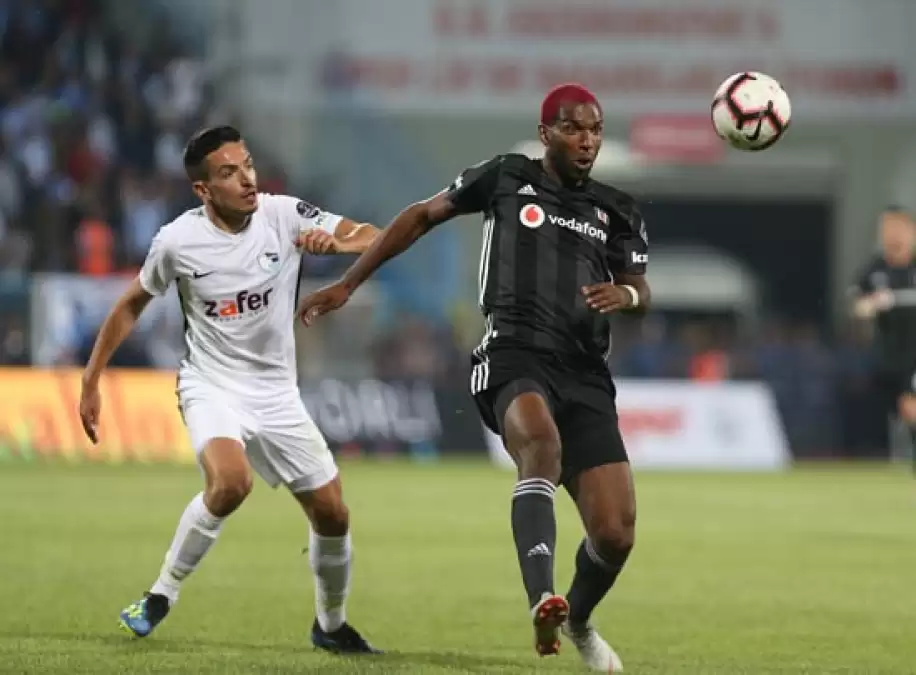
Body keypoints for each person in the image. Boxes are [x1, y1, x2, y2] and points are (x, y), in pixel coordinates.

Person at [298, 84, 649, 671]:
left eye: (594, 130)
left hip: (585, 373)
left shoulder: (618, 209)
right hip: (512, 355)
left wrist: (628, 295)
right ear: (545, 134)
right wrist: (348, 283)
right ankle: (543, 599)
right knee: (541, 444)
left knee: (616, 534)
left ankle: (579, 620)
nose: (586, 140)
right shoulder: (507, 176)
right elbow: (420, 216)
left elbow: (641, 290)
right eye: (572, 128)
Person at [79, 125, 382, 654]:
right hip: (211, 384)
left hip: (277, 393)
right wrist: (91, 379)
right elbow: (131, 304)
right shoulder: (177, 241)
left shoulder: (284, 214)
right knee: (231, 483)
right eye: (229, 172)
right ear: (203, 189)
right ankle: (160, 595)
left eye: (248, 166)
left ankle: (331, 626)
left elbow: (372, 234)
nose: (247, 179)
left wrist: (337, 242)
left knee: (333, 513)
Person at [851, 206, 916, 465]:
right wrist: (872, 303)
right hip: (890, 355)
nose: (892, 234)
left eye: (898, 227)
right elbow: (857, 306)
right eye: (887, 229)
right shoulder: (874, 270)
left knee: (910, 403)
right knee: (901, 407)